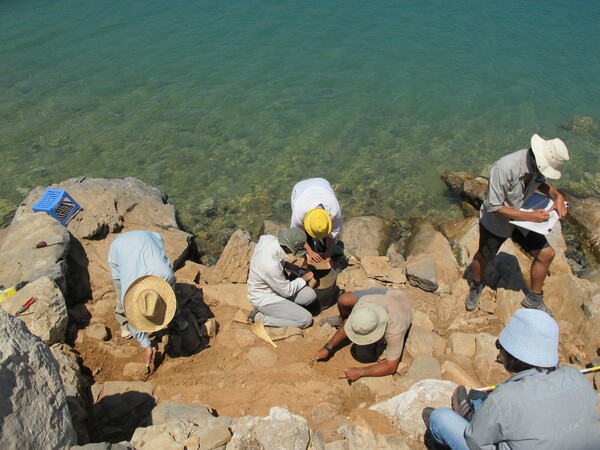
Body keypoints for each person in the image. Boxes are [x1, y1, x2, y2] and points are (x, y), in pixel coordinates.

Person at [422, 309, 600, 450]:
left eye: (500, 346)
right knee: (485, 403)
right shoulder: (576, 378)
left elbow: (474, 442)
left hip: (496, 424)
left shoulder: (505, 398)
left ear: (513, 357)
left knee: (440, 418)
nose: (499, 351)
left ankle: (471, 418)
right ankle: (474, 414)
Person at [465, 134, 570, 316]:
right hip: (497, 221)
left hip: (522, 220)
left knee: (547, 254)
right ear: (536, 158)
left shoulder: (536, 167)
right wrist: (530, 217)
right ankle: (476, 284)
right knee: (483, 257)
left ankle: (534, 298)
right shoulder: (505, 168)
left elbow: (542, 183)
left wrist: (558, 197)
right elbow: (493, 206)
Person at [108, 230, 185, 368]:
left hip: (149, 238)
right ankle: (122, 321)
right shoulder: (128, 291)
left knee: (170, 295)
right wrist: (146, 345)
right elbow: (132, 316)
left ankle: (175, 316)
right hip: (120, 247)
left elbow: (170, 295)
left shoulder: (167, 276)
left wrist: (172, 310)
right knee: (121, 300)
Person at [314, 288, 412, 381]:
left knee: (364, 356)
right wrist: (328, 347)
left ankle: (380, 346)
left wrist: (360, 372)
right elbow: (353, 322)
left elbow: (391, 366)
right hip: (389, 295)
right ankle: (340, 320)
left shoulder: (395, 329)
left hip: (398, 305)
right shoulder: (364, 304)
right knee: (344, 299)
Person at [247, 227, 317, 328]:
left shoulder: (268, 239)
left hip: (275, 286)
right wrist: (304, 278)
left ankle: (287, 310)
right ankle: (261, 318)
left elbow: (275, 259)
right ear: (291, 248)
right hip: (264, 298)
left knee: (310, 295)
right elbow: (286, 291)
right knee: (306, 320)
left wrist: (288, 265)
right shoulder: (270, 265)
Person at [290, 178, 343, 263]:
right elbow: (296, 234)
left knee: (327, 243)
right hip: (300, 189)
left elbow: (332, 234)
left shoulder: (334, 213)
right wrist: (310, 252)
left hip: (322, 184)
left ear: (329, 219)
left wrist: (328, 252)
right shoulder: (299, 215)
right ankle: (309, 245)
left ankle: (323, 248)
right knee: (306, 238)